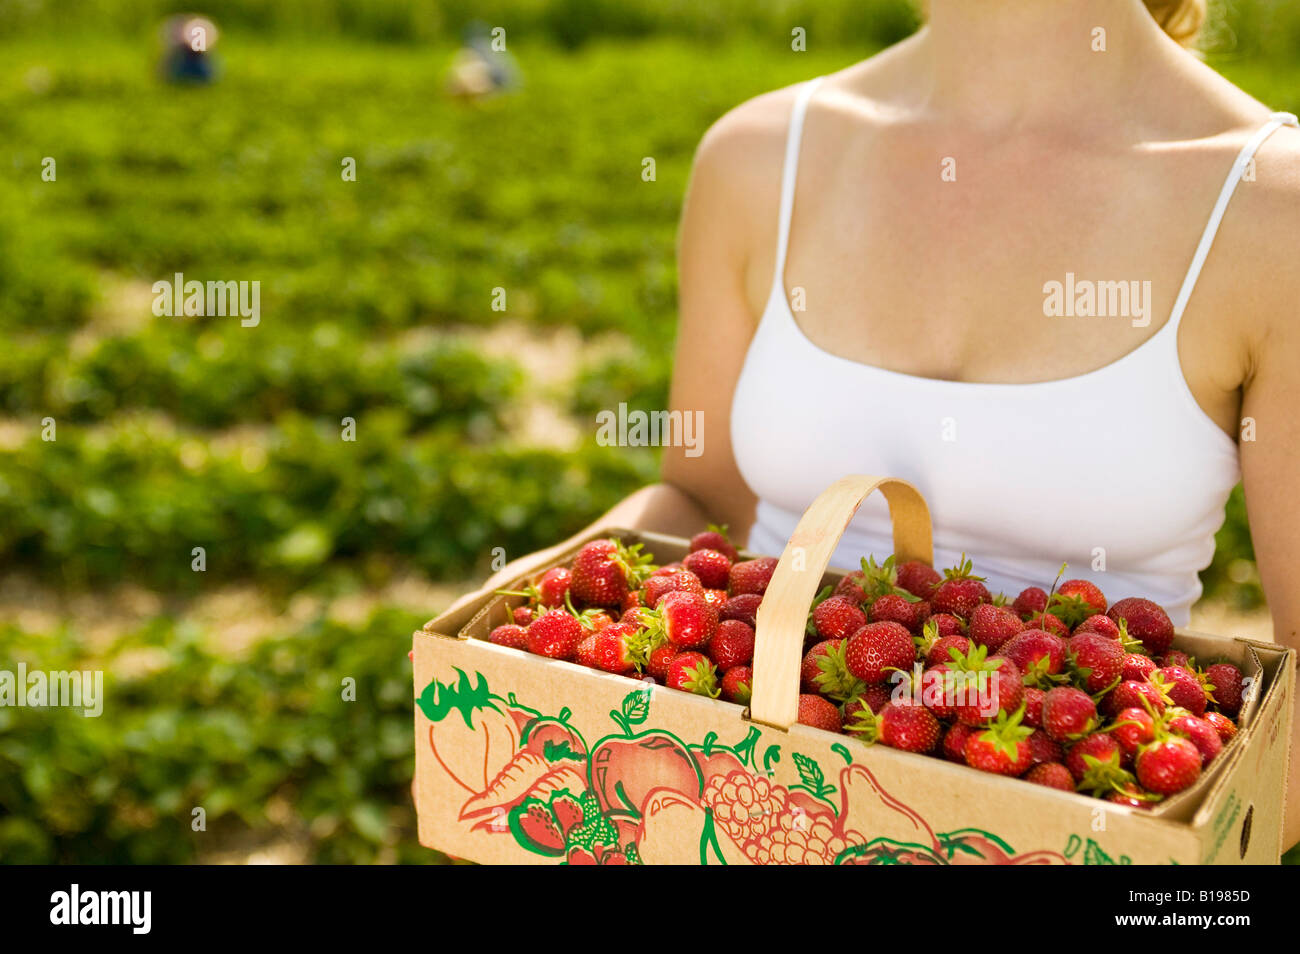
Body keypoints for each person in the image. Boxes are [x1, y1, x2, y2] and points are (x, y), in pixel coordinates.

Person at [459, 1, 1300, 848]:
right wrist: (534, 595)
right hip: (749, 783)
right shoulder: (759, 157)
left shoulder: (1275, 210)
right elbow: (697, 493)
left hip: (1085, 792)